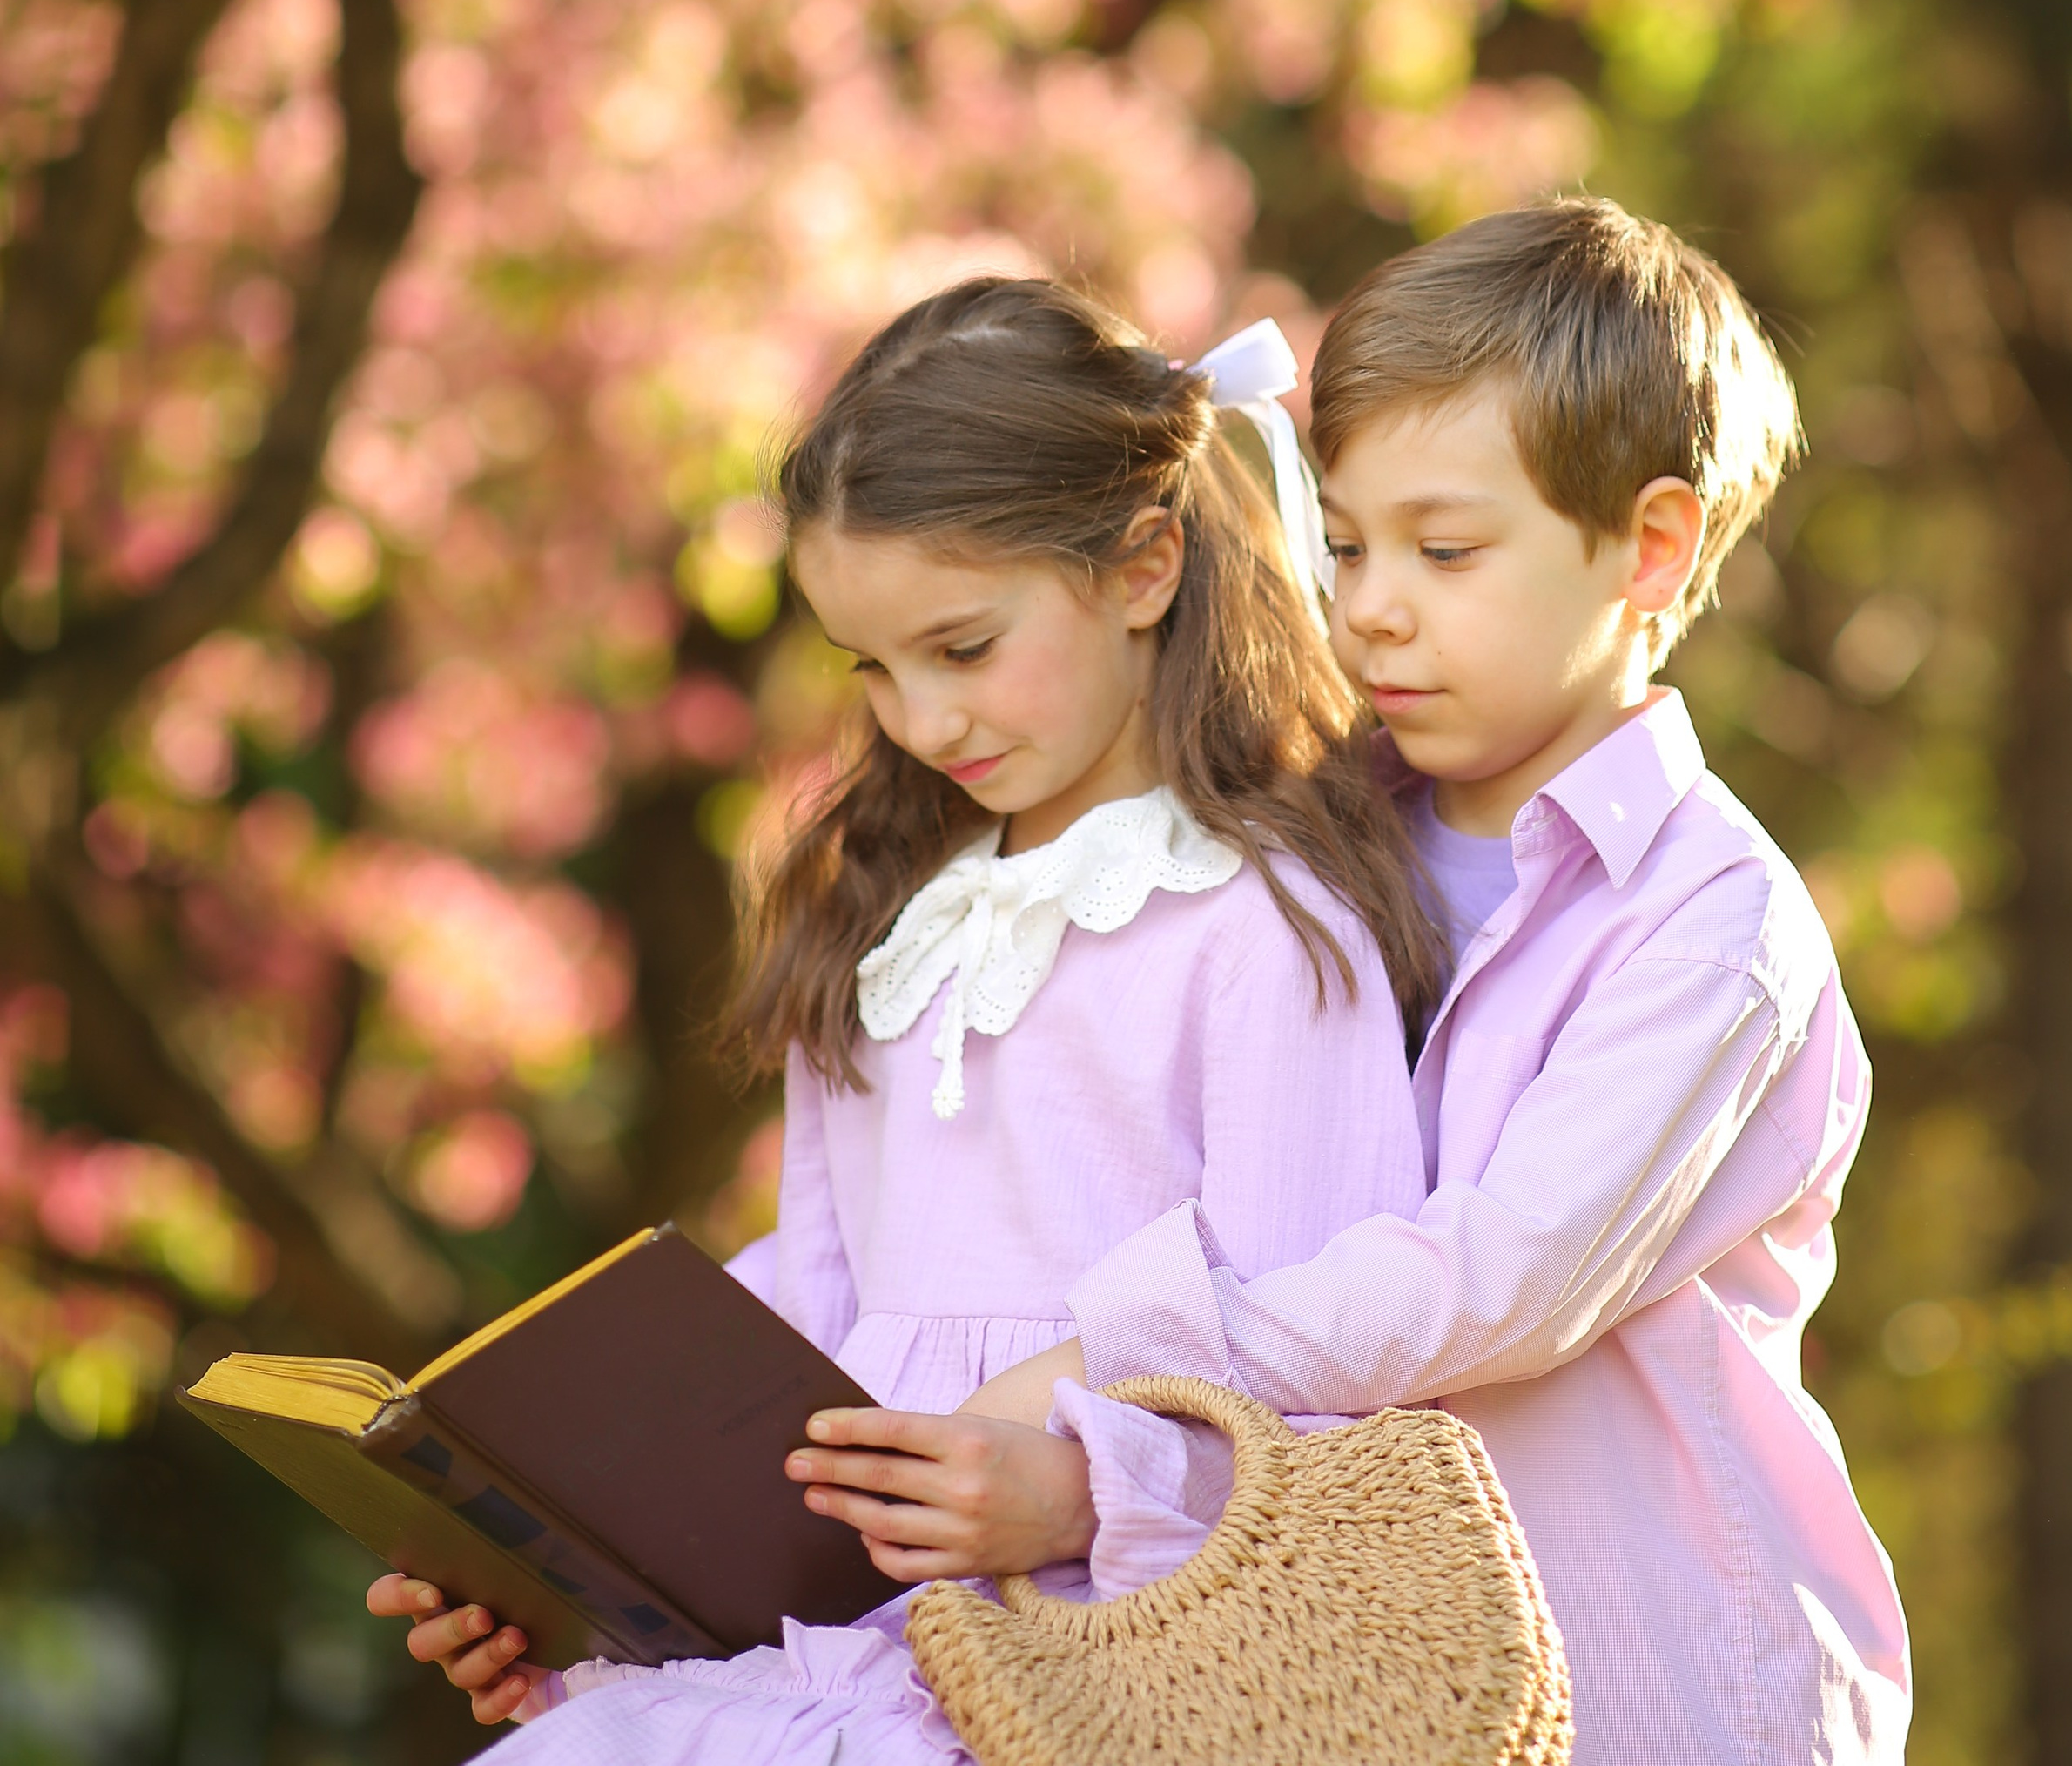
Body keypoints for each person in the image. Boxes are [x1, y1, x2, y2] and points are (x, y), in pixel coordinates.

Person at [802, 199, 1914, 1766]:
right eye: (1345, 542)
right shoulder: (1305, 839)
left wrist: (1098, 1365)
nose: (1374, 604)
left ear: (1650, 549)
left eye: (1445, 549)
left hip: (1649, 1683)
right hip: (1329, 1674)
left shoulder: (1713, 925)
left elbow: (1493, 1276)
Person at [369, 272, 1440, 1756]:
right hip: (832, 1604)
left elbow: (1331, 1366)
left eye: (964, 648)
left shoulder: (1264, 931)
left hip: (1103, 1635)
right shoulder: (896, 916)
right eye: (872, 669)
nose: (923, 724)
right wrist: (577, 1585)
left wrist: (1091, 1490)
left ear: (1142, 568)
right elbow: (815, 1308)